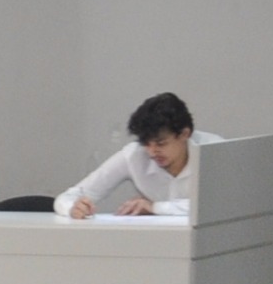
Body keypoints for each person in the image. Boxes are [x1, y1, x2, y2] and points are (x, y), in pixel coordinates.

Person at [56, 90, 206, 219]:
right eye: (146, 143)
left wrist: (155, 208)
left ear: (184, 134)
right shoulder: (134, 155)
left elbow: (222, 206)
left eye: (161, 143)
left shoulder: (213, 151)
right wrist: (73, 208)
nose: (152, 152)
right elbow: (68, 196)